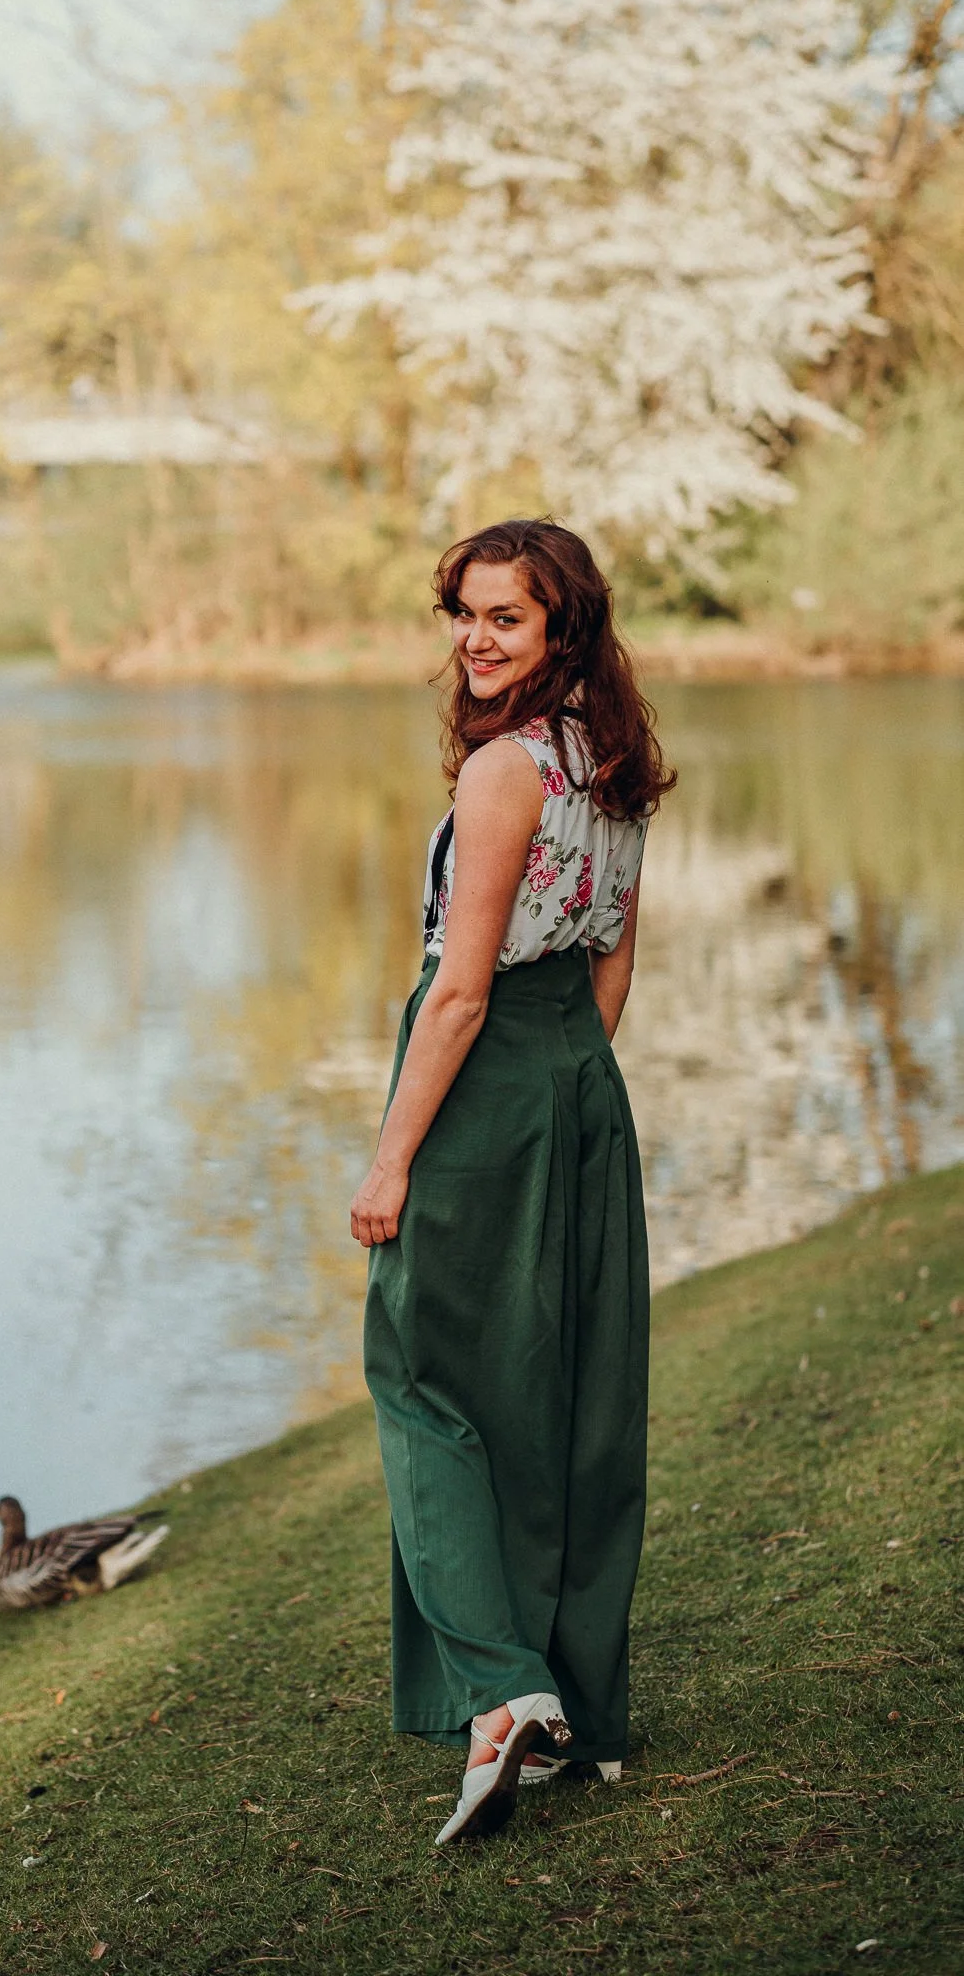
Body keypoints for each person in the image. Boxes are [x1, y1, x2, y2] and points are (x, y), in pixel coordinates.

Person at [352, 517, 675, 1847]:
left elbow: (461, 991)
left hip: (484, 1076)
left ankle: (503, 1693)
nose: (477, 643)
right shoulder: (615, 760)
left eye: (507, 620)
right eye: (466, 616)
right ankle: (579, 1718)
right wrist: (567, 1101)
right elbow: (611, 967)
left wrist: (392, 1160)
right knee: (569, 1391)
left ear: (566, 632)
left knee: (420, 1372)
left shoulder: (503, 776)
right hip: (577, 1083)